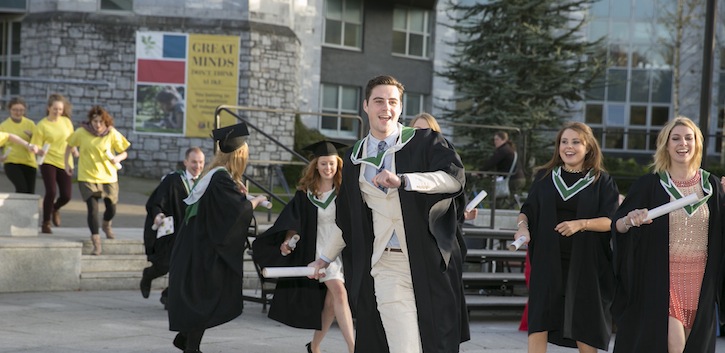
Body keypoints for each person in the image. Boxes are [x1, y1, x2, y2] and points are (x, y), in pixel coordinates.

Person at [309, 75, 469, 353]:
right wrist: (324, 258)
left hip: (429, 261)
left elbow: (453, 179)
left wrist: (406, 181)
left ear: (401, 107)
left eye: (393, 102)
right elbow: (346, 221)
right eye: (379, 101)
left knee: (437, 343)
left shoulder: (425, 142)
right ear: (366, 106)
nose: (386, 108)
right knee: (404, 346)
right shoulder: (354, 158)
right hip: (387, 263)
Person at [611, 116, 725, 353]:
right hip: (662, 278)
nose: (682, 143)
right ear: (666, 145)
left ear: (697, 143)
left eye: (688, 137)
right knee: (675, 346)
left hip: (701, 279)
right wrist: (630, 220)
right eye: (675, 138)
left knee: (692, 346)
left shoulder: (711, 186)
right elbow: (618, 226)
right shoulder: (650, 185)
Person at [512, 121, 619, 353]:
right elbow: (527, 210)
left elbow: (610, 221)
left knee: (585, 326)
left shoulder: (601, 181)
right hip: (548, 262)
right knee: (540, 321)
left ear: (588, 147)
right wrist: (522, 227)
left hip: (586, 266)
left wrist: (581, 224)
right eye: (564, 142)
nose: (568, 147)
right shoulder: (545, 177)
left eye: (576, 142)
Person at [167, 122, 267, 353]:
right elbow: (236, 211)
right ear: (238, 156)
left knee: (202, 296)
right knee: (205, 295)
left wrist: (239, 194)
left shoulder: (212, 175)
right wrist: (256, 201)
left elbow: (225, 206)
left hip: (196, 245)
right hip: (202, 249)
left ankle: (187, 340)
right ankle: (190, 344)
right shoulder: (220, 179)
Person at [252, 140, 355, 353]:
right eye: (324, 163)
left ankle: (314, 346)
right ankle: (354, 348)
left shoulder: (344, 191)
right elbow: (293, 222)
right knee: (339, 293)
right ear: (316, 165)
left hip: (343, 250)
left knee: (330, 304)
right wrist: (289, 239)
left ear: (338, 165)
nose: (328, 168)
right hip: (319, 251)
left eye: (332, 164)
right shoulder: (306, 194)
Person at [140, 146, 205, 307]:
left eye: (201, 162)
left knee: (189, 267)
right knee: (165, 265)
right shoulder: (173, 180)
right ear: (186, 162)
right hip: (173, 231)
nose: (197, 166)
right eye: (194, 162)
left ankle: (169, 296)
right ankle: (148, 275)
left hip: (194, 232)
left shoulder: (205, 182)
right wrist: (157, 214)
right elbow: (156, 201)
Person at [65, 106, 130, 255]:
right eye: (95, 121)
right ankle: (97, 243)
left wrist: (117, 158)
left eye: (101, 121)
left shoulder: (112, 133)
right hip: (87, 176)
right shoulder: (81, 132)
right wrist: (67, 163)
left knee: (111, 208)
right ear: (91, 121)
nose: (98, 125)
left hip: (108, 176)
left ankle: (106, 224)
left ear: (106, 122)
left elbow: (124, 152)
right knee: (92, 210)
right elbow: (69, 146)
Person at [31, 93, 77, 234]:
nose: (58, 112)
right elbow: (36, 145)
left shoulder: (66, 122)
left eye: (60, 109)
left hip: (65, 161)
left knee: (66, 195)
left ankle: (55, 208)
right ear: (49, 108)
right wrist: (37, 150)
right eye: (55, 109)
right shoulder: (42, 125)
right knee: (51, 191)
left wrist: (75, 150)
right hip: (48, 161)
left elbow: (72, 140)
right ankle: (46, 223)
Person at [0, 97, 38, 194]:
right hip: (12, 161)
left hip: (29, 161)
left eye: (21, 110)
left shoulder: (30, 124)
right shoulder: (4, 125)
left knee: (30, 193)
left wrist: (32, 136)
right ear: (9, 110)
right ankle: (15, 208)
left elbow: (37, 142)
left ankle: (23, 209)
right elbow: (5, 140)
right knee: (22, 189)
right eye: (15, 110)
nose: (18, 113)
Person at [480, 131, 525, 208]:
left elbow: (491, 162)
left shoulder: (503, 150)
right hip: (518, 178)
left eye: (497, 139)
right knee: (507, 199)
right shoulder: (509, 149)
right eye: (494, 139)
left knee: (499, 198)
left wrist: (479, 172)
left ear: (503, 140)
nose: (495, 142)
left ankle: (498, 213)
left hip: (512, 179)